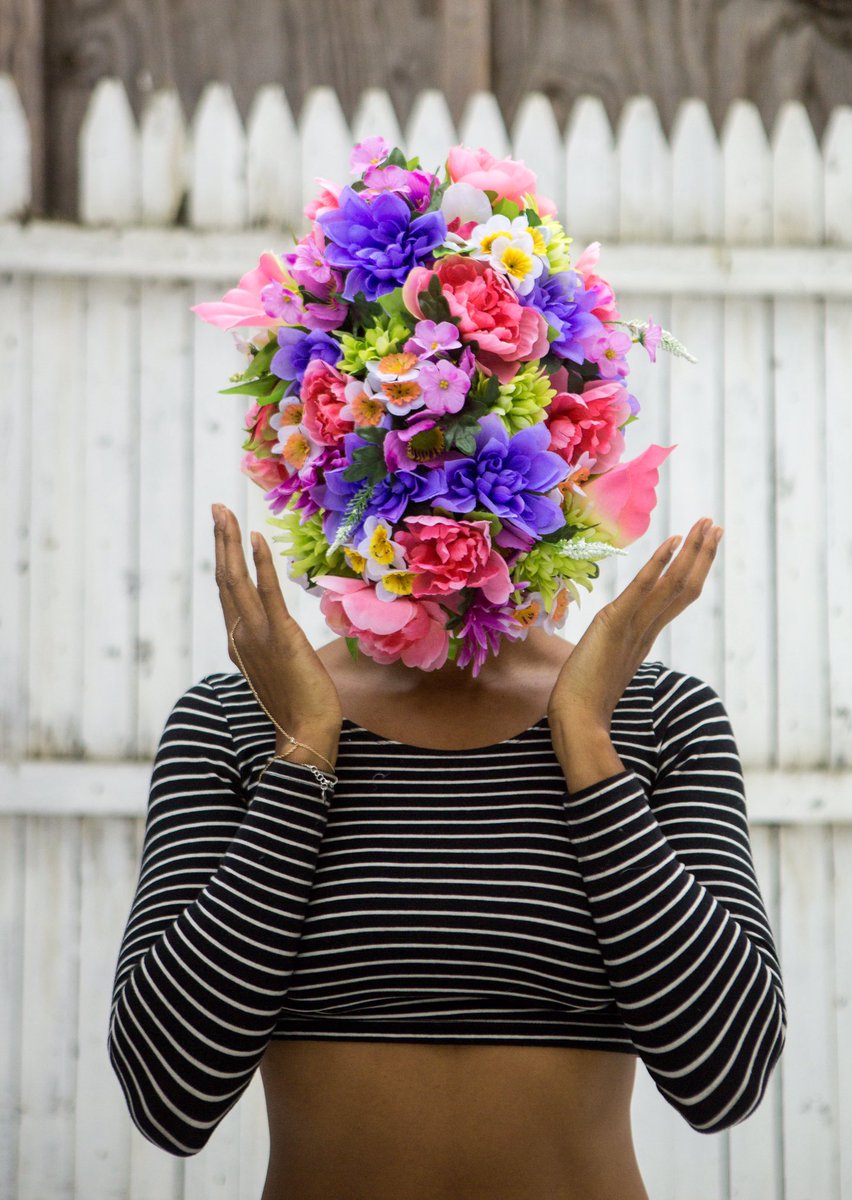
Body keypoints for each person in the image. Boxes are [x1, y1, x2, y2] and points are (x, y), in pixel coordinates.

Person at [107, 502, 787, 1200]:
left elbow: (726, 1079)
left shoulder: (659, 717)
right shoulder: (239, 716)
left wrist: (585, 735)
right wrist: (306, 746)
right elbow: (169, 1096)